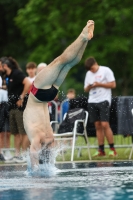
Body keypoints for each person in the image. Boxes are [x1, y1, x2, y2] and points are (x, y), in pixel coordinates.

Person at [23, 20, 95, 166]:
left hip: (47, 95)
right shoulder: (38, 137)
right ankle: (83, 37)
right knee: (60, 61)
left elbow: (37, 152)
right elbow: (33, 152)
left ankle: (85, 39)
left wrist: (37, 170)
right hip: (37, 94)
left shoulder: (48, 139)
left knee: (69, 64)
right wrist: (35, 168)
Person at [84, 57, 117, 157]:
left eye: (92, 68)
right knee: (97, 125)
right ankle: (101, 149)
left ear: (95, 63)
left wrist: (99, 84)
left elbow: (113, 84)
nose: (91, 71)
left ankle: (112, 149)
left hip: (104, 100)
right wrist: (90, 86)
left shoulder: (106, 70)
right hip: (92, 100)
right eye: (89, 70)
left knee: (105, 124)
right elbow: (85, 89)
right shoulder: (88, 74)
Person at [0, 57, 31, 163]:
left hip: (20, 108)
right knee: (16, 133)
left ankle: (24, 154)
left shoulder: (17, 73)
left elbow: (28, 83)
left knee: (23, 132)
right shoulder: (8, 76)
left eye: (0, 66)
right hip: (12, 107)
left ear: (5, 66)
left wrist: (22, 97)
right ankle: (17, 155)